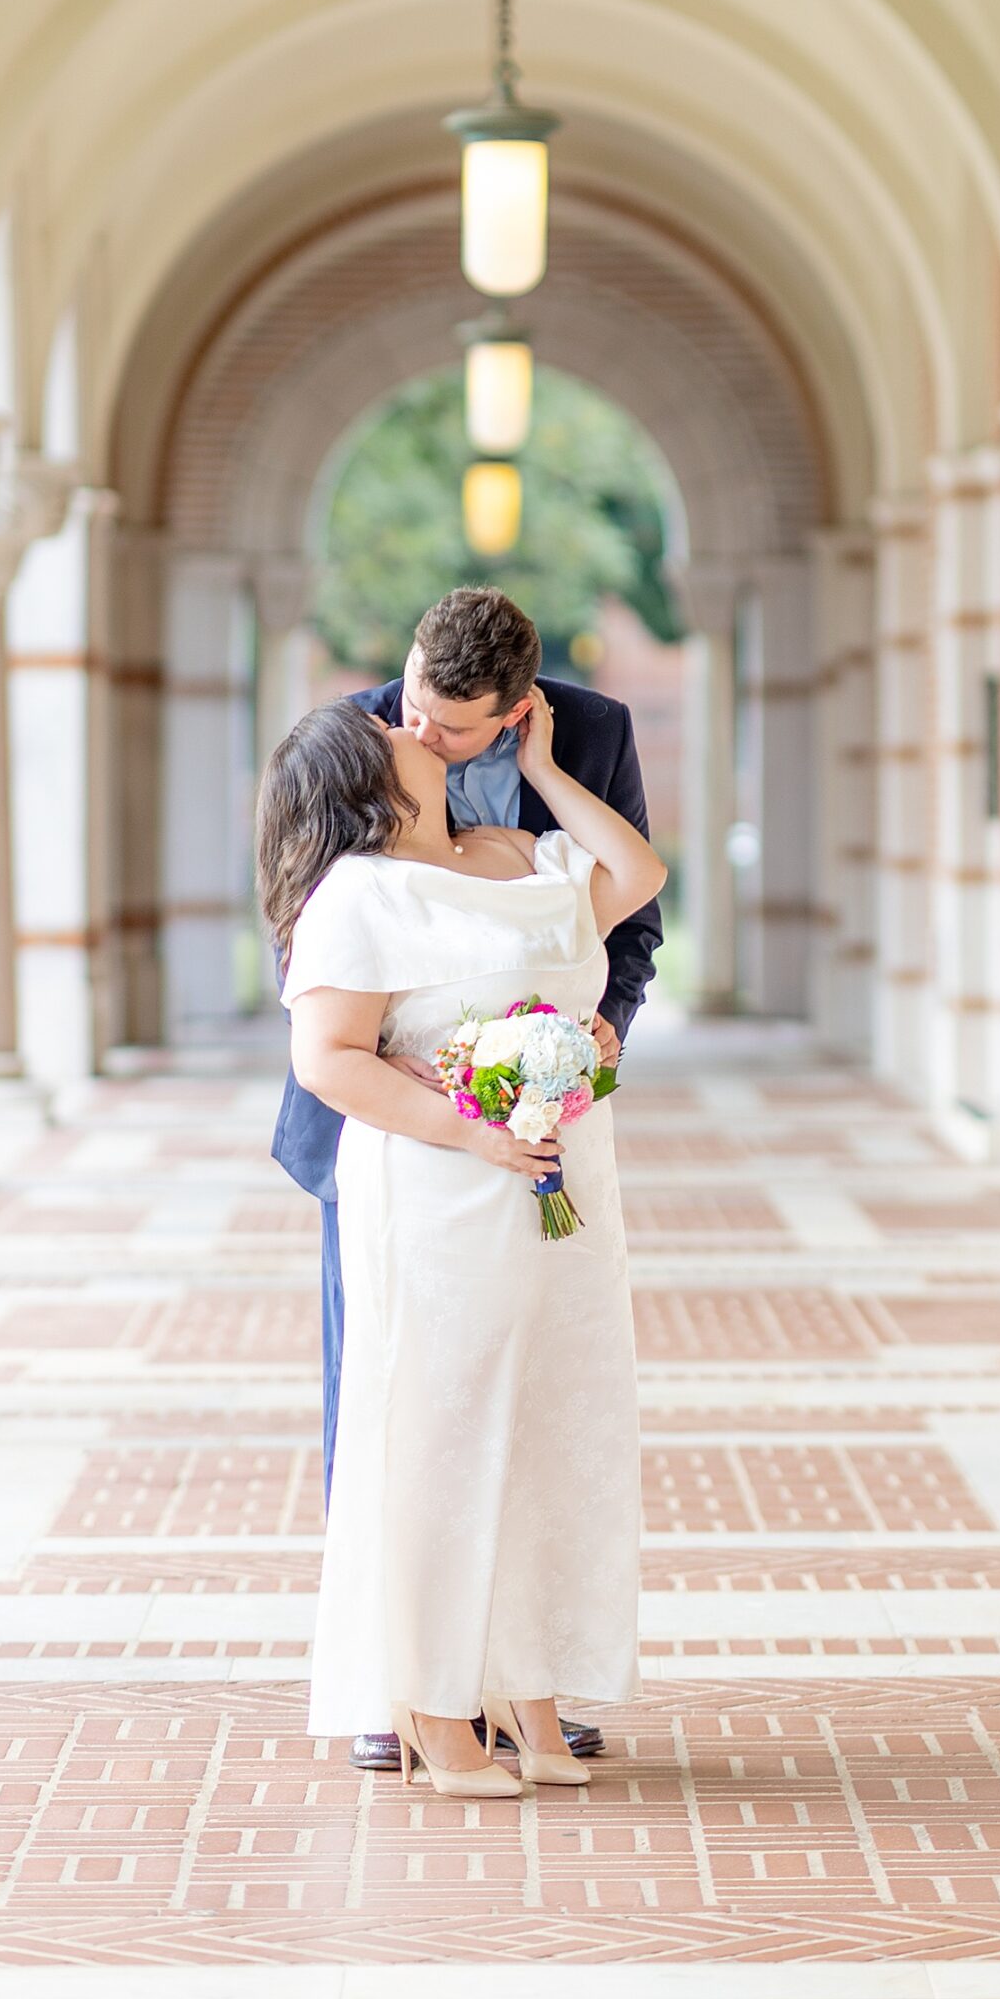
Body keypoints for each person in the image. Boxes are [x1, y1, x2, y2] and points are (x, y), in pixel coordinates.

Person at [271, 587, 663, 1770]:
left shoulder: (561, 775)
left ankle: (532, 1679)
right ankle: (413, 1691)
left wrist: (591, 1038)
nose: (420, 732)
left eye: (451, 728)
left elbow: (631, 904)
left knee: (551, 1418)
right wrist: (470, 1117)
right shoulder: (354, 769)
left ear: (511, 716)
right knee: (411, 1418)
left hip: (553, 1161)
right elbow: (331, 1010)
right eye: (415, 718)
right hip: (419, 1160)